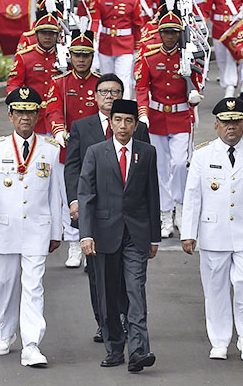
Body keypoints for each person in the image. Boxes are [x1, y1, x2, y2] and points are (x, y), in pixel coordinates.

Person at [0, 86, 62, 367]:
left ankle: (32, 344)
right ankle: (4, 333)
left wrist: (57, 231)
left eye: (31, 112)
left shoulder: (50, 149)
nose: (26, 117)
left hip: (37, 228)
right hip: (3, 228)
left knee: (34, 286)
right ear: (10, 115)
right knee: (4, 285)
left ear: (38, 115)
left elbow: (55, 194)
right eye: (20, 112)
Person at [180, 97, 243, 363]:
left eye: (235, 122)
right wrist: (189, 232)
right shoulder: (202, 155)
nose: (231, 127)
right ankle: (219, 340)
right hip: (213, 233)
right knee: (215, 288)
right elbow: (193, 196)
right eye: (225, 123)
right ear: (216, 125)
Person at [64, 74, 150, 343]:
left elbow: (145, 172)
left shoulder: (139, 128)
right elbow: (73, 166)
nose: (109, 96)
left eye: (115, 91)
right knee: (97, 274)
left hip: (128, 216)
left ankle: (124, 317)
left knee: (128, 274)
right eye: (104, 91)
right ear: (95, 95)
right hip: (95, 212)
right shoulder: (81, 126)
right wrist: (75, 200)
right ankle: (104, 321)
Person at [78, 99, 159, 373]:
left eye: (128, 121)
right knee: (109, 293)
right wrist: (86, 234)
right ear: (110, 122)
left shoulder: (147, 153)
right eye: (117, 120)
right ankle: (114, 347)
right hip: (103, 234)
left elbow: (152, 195)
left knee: (136, 291)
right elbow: (86, 195)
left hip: (136, 235)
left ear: (136, 125)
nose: (123, 126)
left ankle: (139, 350)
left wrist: (154, 237)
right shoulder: (95, 152)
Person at [135, 2, 202, 238]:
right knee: (160, 168)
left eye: (174, 32)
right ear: (160, 33)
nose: (170, 36)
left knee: (179, 164)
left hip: (181, 116)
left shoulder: (189, 55)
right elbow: (142, 87)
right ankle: (165, 213)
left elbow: (199, 82)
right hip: (156, 116)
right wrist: (142, 113)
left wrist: (193, 87)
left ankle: (181, 208)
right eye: (166, 32)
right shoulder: (150, 57)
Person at [45, 30, 100, 268]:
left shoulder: (99, 83)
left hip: (95, 151)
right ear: (69, 56)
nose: (81, 60)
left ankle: (91, 241)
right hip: (67, 148)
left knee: (93, 197)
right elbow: (53, 108)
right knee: (68, 196)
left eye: (85, 55)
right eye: (77, 55)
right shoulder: (59, 82)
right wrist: (57, 129)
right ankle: (73, 244)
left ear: (92, 56)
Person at [90, 0, 141, 99]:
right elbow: (95, 21)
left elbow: (137, 25)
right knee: (107, 81)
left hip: (125, 45)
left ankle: (123, 110)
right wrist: (92, 41)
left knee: (123, 79)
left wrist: (137, 49)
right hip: (106, 44)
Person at [7, 9, 59, 136]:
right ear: (36, 35)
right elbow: (14, 84)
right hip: (33, 116)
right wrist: (19, 103)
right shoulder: (25, 57)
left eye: (51, 33)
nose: (47, 37)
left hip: (57, 118)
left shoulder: (65, 57)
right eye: (43, 33)